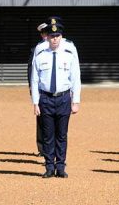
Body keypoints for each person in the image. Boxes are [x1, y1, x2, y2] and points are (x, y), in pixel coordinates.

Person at [30, 22, 81, 178]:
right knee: (47, 135)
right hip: (45, 98)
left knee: (62, 135)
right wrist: (35, 102)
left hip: (64, 98)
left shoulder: (68, 55)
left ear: (61, 37)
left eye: (57, 36)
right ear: (48, 38)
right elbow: (34, 80)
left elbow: (75, 79)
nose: (54, 39)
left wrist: (76, 100)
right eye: (52, 36)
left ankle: (61, 167)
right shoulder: (40, 55)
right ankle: (49, 167)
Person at [28, 22, 49, 157]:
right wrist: (32, 86)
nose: (47, 36)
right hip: (41, 89)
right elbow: (31, 69)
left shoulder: (64, 47)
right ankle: (42, 148)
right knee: (41, 118)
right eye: (44, 34)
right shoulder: (37, 49)